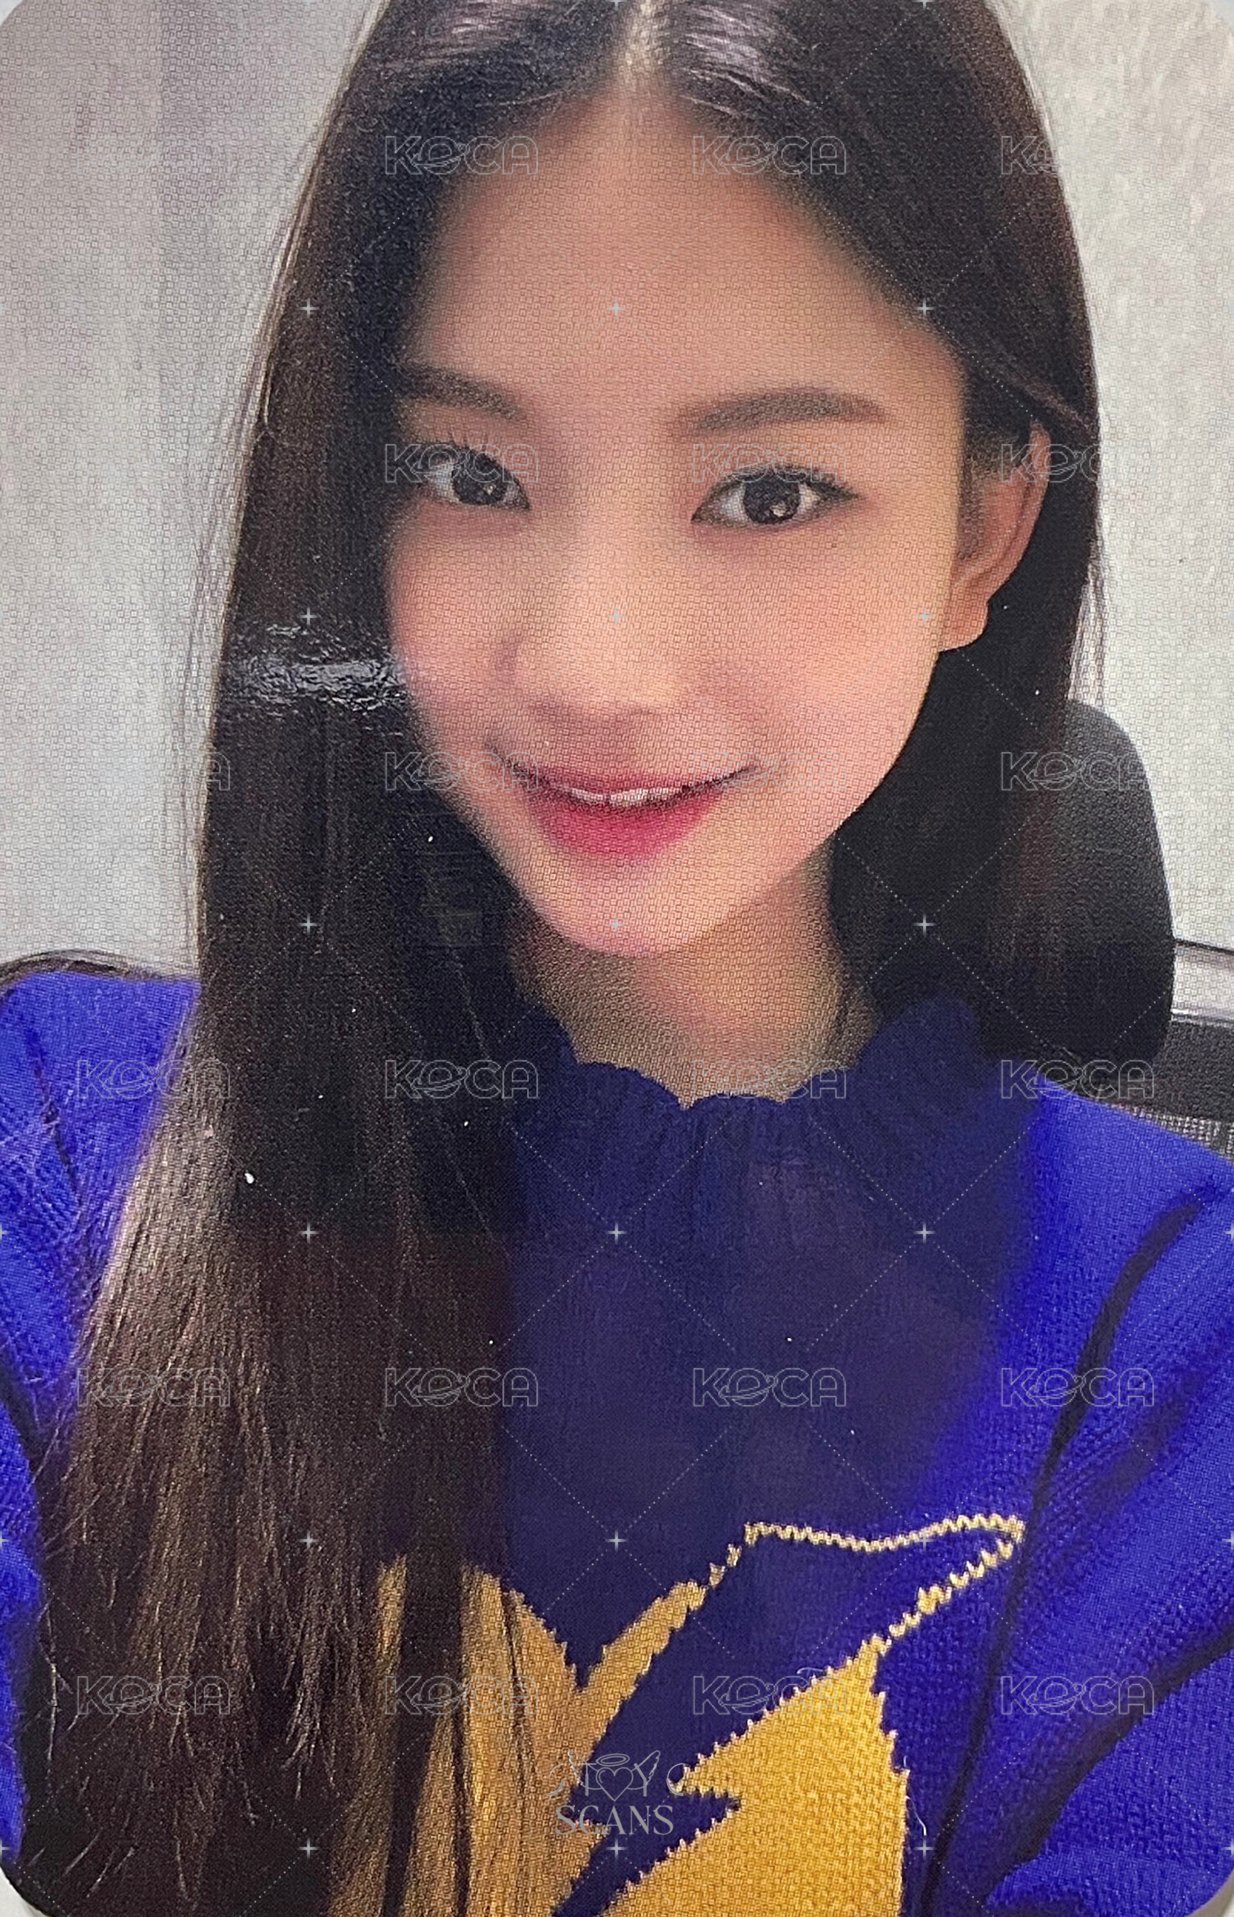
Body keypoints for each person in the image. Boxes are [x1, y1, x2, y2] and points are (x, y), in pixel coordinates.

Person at [0, 1, 1231, 1913]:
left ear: (983, 531)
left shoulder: (1170, 1349)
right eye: (468, 473)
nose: (592, 663)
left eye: (768, 492)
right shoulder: (63, 1155)